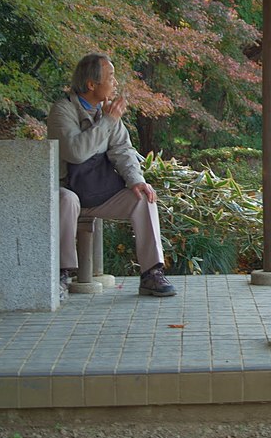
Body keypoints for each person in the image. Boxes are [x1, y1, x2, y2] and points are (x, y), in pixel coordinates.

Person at [47, 54, 176, 299]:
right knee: (66, 200)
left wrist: (136, 180)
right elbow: (75, 152)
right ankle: (61, 275)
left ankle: (152, 272)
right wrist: (107, 120)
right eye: (111, 77)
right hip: (68, 189)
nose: (115, 83)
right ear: (91, 84)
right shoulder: (62, 110)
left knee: (143, 198)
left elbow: (123, 151)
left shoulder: (107, 114)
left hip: (101, 192)